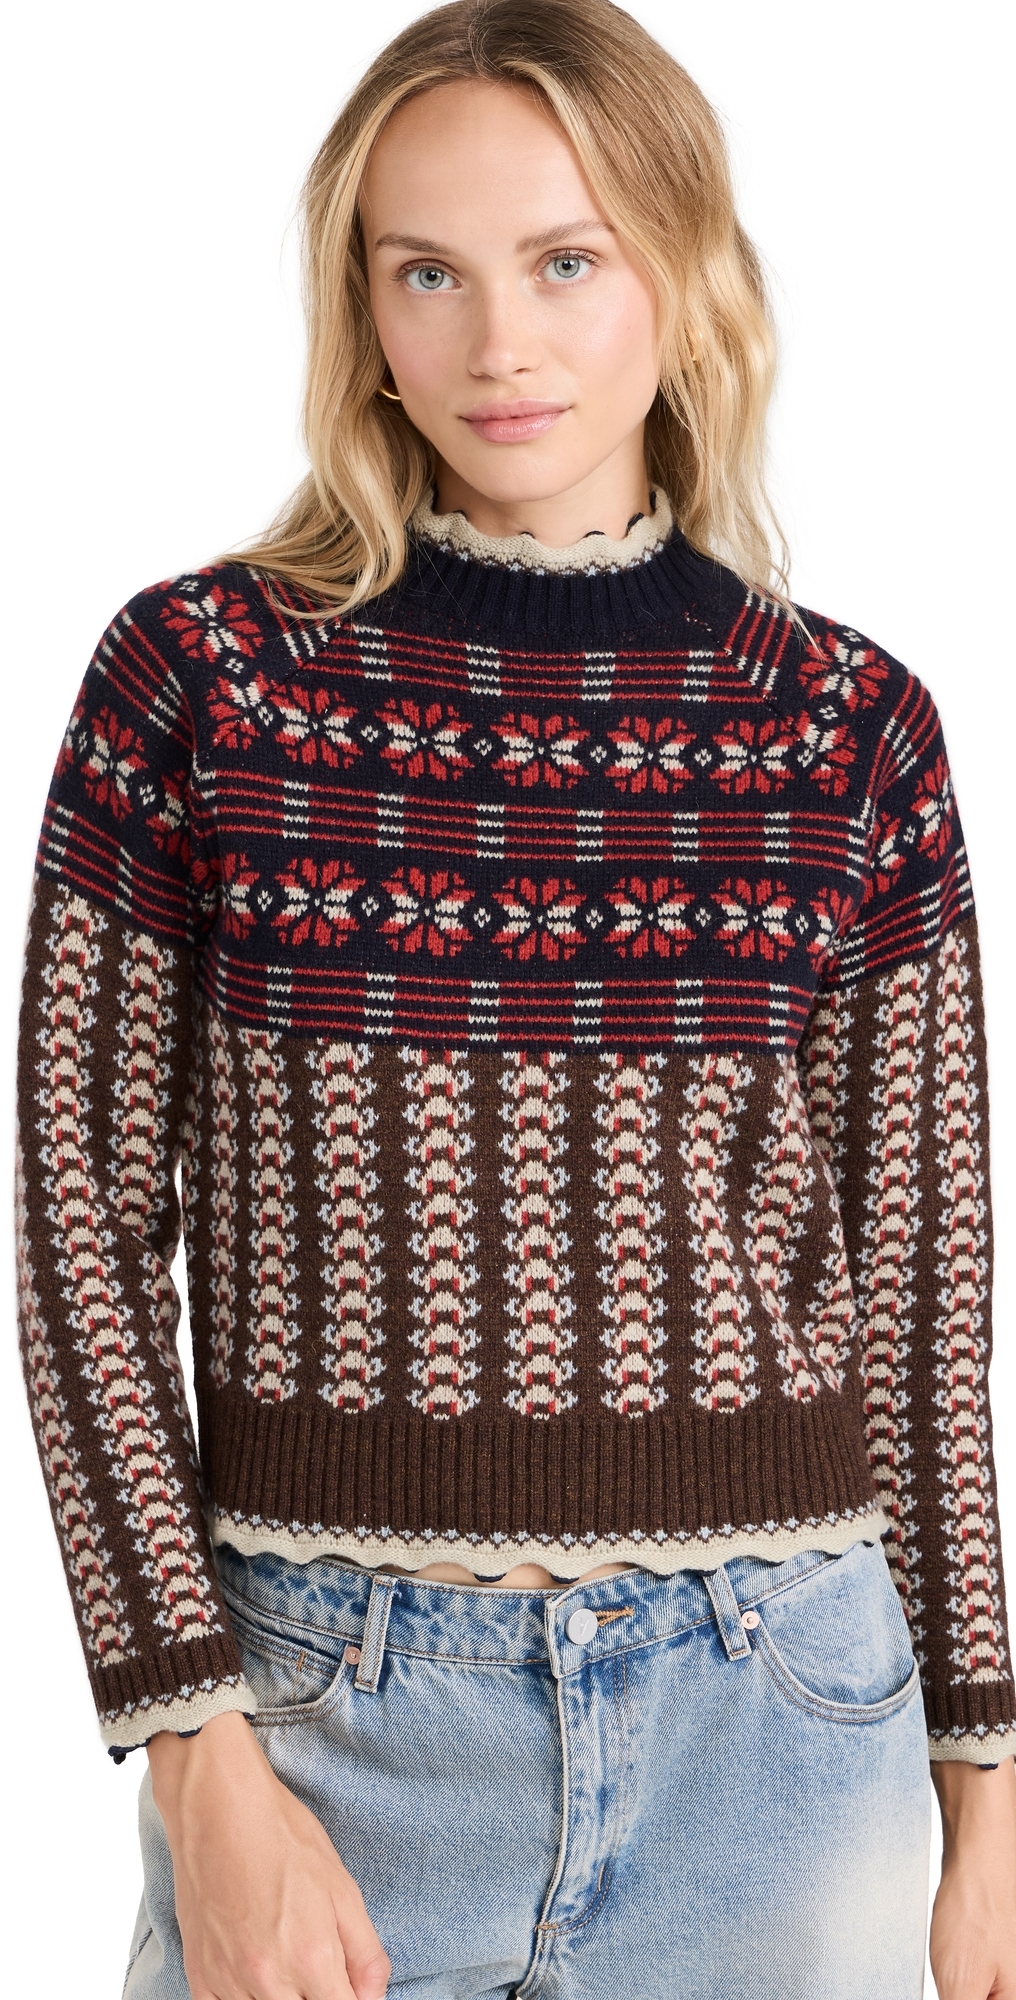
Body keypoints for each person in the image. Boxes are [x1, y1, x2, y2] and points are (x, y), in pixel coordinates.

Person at [14, 1, 1016, 1994]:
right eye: (429, 273)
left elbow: (921, 1296)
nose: (499, 343)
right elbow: (82, 1236)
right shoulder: (198, 684)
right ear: (361, 305)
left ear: (683, 269)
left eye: (565, 260)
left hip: (778, 1732)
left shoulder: (845, 728)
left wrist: (985, 1796)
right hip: (324, 1732)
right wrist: (196, 1758)